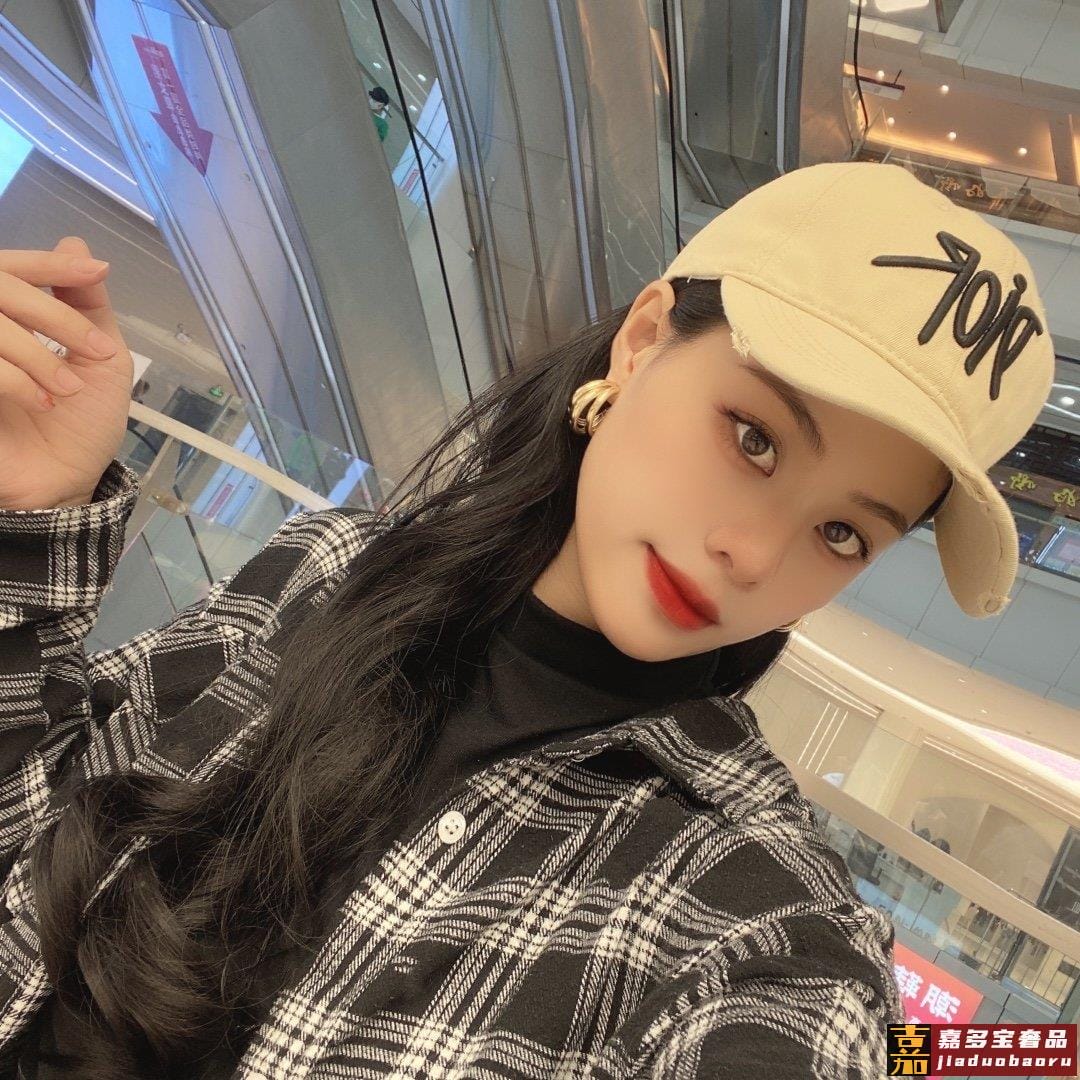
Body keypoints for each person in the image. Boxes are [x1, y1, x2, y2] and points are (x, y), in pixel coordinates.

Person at [0, 161, 1054, 1078]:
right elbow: (35, 833)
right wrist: (34, 515)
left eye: (841, 534)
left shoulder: (758, 917)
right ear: (642, 343)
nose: (755, 554)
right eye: (756, 439)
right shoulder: (325, 571)